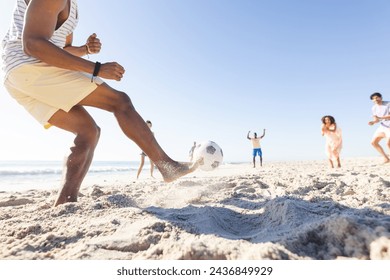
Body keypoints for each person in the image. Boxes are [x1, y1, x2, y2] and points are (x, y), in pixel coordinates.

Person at [1, 0, 198, 206]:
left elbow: (63, 49)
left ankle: (65, 202)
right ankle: (167, 166)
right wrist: (96, 68)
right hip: (29, 67)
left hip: (18, 78)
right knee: (119, 101)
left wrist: (85, 48)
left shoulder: (73, 8)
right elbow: (33, 44)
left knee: (88, 131)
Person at [368, 92, 390, 163]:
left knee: (388, 143)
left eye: (377, 97)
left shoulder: (388, 104)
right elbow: (376, 119)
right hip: (383, 126)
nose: (375, 99)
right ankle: (386, 158)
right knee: (373, 142)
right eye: (373, 98)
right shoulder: (374, 108)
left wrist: (380, 117)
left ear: (381, 97)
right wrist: (373, 122)